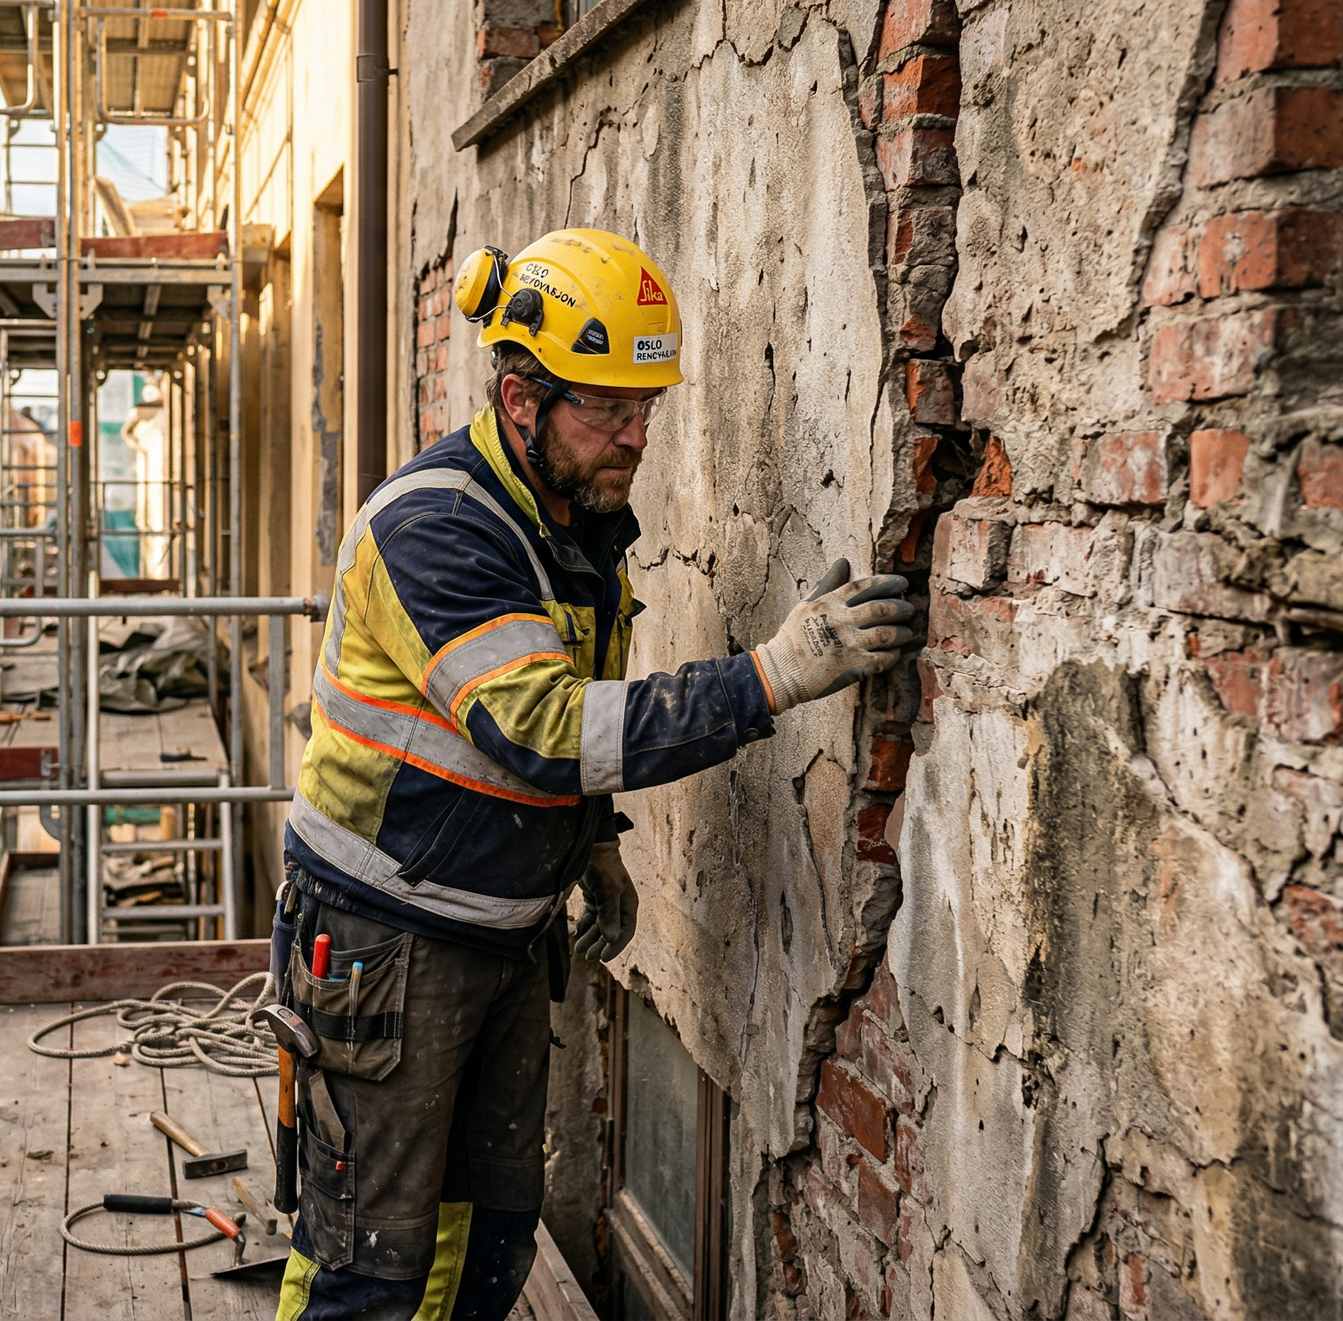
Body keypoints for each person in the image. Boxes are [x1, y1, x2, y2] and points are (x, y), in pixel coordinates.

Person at [270, 229, 919, 1319]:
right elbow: (535, 723)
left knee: (482, 1238)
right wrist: (771, 674)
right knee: (369, 1263)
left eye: (646, 405)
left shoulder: (571, 517)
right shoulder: (437, 527)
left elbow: (581, 686)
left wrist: (596, 841)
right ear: (521, 399)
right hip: (381, 941)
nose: (637, 433)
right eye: (608, 407)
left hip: (495, 934)